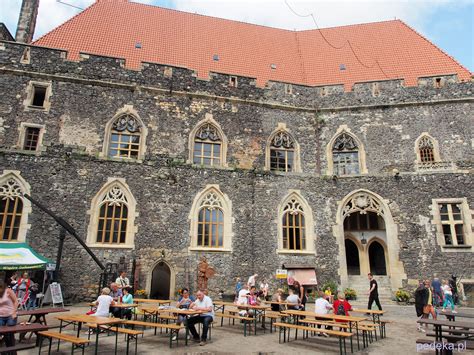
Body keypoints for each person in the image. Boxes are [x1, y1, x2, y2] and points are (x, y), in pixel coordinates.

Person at [0, 280, 18, 348]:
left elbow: (16, 301)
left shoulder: (8, 291)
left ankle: (10, 347)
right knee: (1, 331)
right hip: (1, 316)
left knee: (9, 332)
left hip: (10, 315)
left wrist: (14, 312)